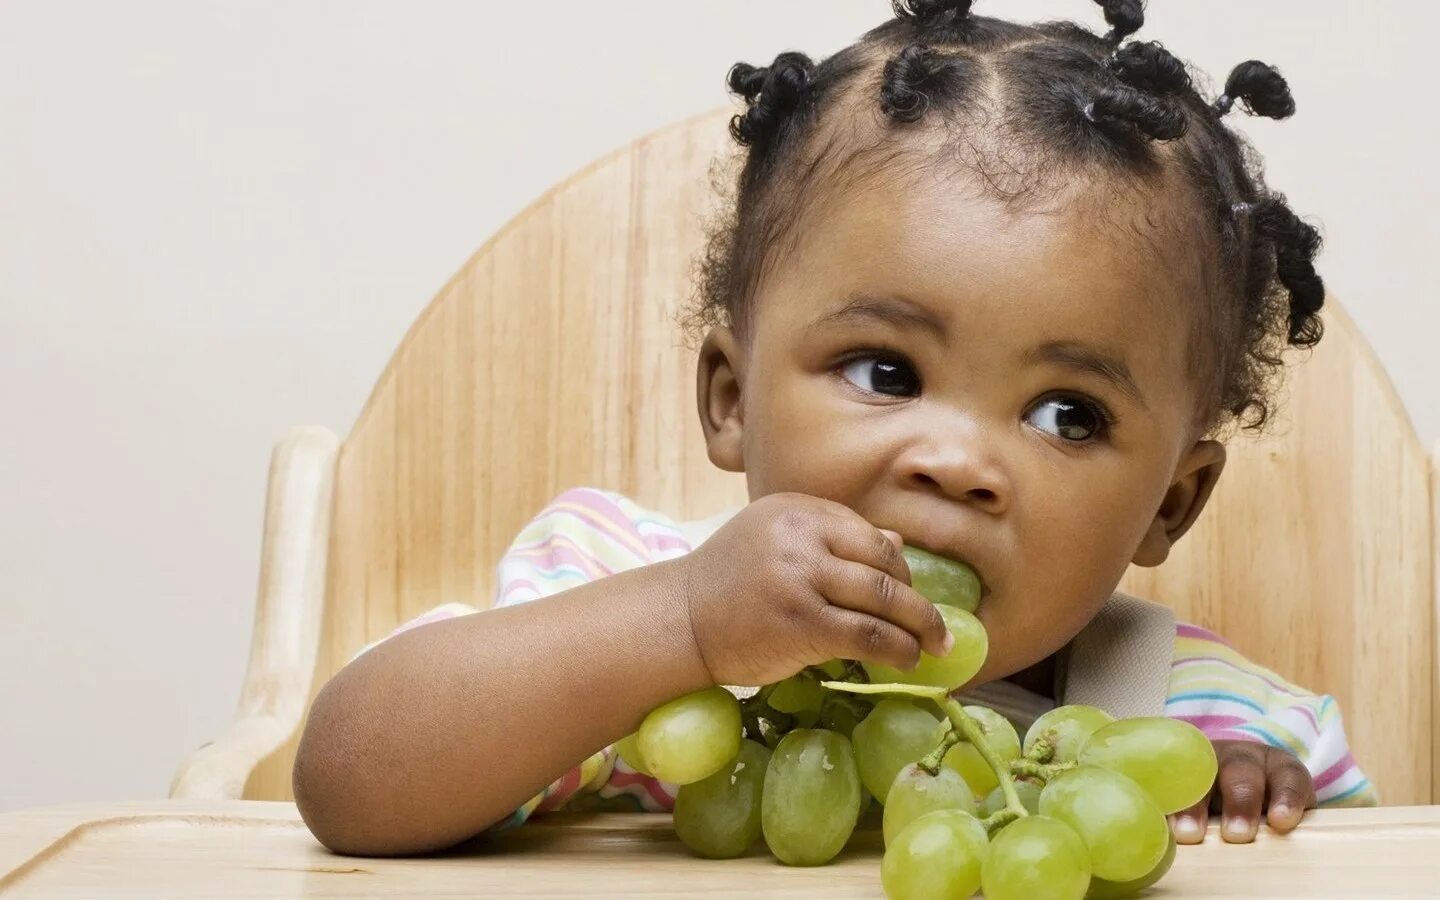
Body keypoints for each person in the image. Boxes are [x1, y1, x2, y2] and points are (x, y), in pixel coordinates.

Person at [292, 0, 1376, 857]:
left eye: (1067, 415)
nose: (957, 464)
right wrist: (679, 623)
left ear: (1171, 503)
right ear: (729, 399)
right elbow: (347, 781)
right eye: (885, 370)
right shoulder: (617, 590)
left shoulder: (1192, 714)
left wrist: (1260, 813)